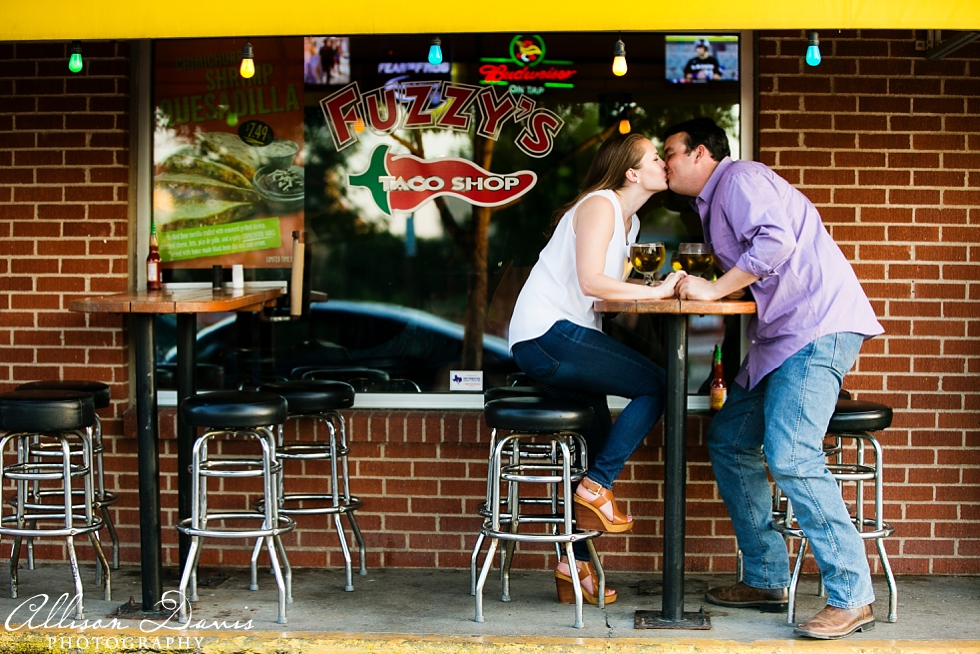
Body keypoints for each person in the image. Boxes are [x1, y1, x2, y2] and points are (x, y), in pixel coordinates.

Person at [662, 117, 884, 639]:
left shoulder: (738, 178)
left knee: (791, 454)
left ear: (700, 155)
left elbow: (775, 241)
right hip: (779, 339)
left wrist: (713, 290)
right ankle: (766, 577)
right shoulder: (710, 203)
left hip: (814, 329)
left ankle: (853, 595)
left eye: (670, 152)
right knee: (730, 438)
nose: (665, 163)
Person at [508, 133, 686, 606]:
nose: (663, 164)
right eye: (654, 158)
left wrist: (651, 288)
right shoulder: (601, 204)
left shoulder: (631, 221)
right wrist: (659, 291)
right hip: (548, 334)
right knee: (659, 384)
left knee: (593, 445)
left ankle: (574, 565)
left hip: (568, 337)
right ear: (631, 172)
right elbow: (591, 282)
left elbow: (608, 292)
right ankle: (598, 487)